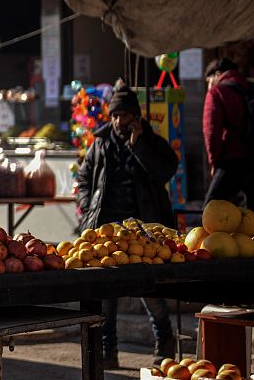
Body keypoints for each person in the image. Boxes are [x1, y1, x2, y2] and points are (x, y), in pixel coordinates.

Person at [76, 79, 178, 367]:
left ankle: (165, 342)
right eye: (115, 115)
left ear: (136, 117)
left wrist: (140, 145)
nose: (119, 121)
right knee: (107, 296)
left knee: (150, 293)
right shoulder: (100, 142)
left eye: (124, 115)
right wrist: (87, 207)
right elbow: (84, 179)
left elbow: (165, 171)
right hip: (106, 229)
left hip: (144, 232)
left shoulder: (152, 142)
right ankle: (108, 351)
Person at [203, 58, 252, 206]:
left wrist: (214, 163)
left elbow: (211, 132)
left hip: (232, 160)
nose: (208, 86)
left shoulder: (217, 92)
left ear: (217, 74)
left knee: (211, 211)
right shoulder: (250, 88)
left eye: (208, 81)